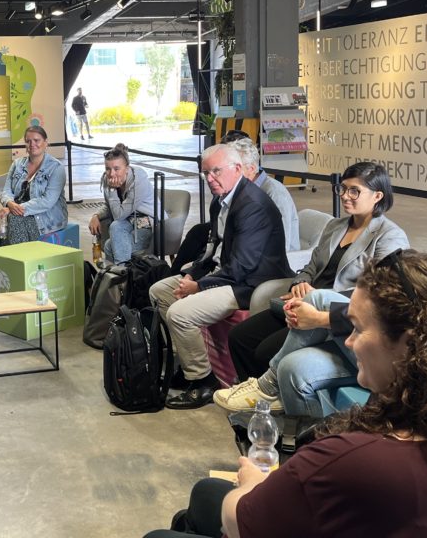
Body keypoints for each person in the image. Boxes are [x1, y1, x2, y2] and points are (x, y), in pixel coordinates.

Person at [144, 251, 427, 538]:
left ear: (410, 344)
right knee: (202, 497)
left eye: (356, 327)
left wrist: (250, 484)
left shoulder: (351, 460)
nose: (349, 341)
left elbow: (239, 522)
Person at [217, 162, 407, 411]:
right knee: (240, 338)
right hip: (302, 301)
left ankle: (271, 401)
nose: (345, 196)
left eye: (354, 191)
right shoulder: (336, 226)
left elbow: (379, 292)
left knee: (264, 351)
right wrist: (301, 283)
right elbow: (311, 266)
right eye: (343, 188)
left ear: (378, 196)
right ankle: (256, 407)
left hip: (334, 314)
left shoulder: (389, 236)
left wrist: (319, 295)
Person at [149, 144, 291, 410]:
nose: (210, 178)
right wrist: (191, 275)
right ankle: (190, 364)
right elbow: (213, 250)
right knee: (160, 291)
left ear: (237, 169)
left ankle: (202, 381)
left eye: (216, 171)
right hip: (225, 274)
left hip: (253, 284)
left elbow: (242, 266)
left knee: (179, 313)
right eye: (206, 173)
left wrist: (199, 286)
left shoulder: (253, 206)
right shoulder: (221, 200)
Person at [168, 132, 298, 274]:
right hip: (234, 258)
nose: (231, 174)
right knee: (198, 233)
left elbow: (280, 246)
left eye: (237, 168)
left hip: (260, 267)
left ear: (250, 169)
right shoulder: (231, 191)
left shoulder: (274, 193)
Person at [0, 125, 67, 244]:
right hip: (17, 212)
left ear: (45, 142)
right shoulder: (17, 164)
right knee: (7, 220)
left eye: (36, 140)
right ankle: (10, 255)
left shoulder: (56, 167)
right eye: (28, 141)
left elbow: (47, 201)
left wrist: (15, 209)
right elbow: (6, 191)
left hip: (46, 217)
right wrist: (9, 203)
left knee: (14, 220)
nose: (32, 144)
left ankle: (20, 255)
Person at [89, 143, 157, 264]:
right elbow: (110, 206)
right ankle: (122, 272)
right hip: (127, 222)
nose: (111, 174)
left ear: (127, 168)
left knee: (109, 246)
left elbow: (118, 215)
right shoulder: (107, 179)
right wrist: (96, 216)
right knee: (115, 226)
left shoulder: (138, 181)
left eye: (116, 169)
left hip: (147, 224)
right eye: (108, 169)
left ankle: (121, 272)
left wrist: (112, 190)